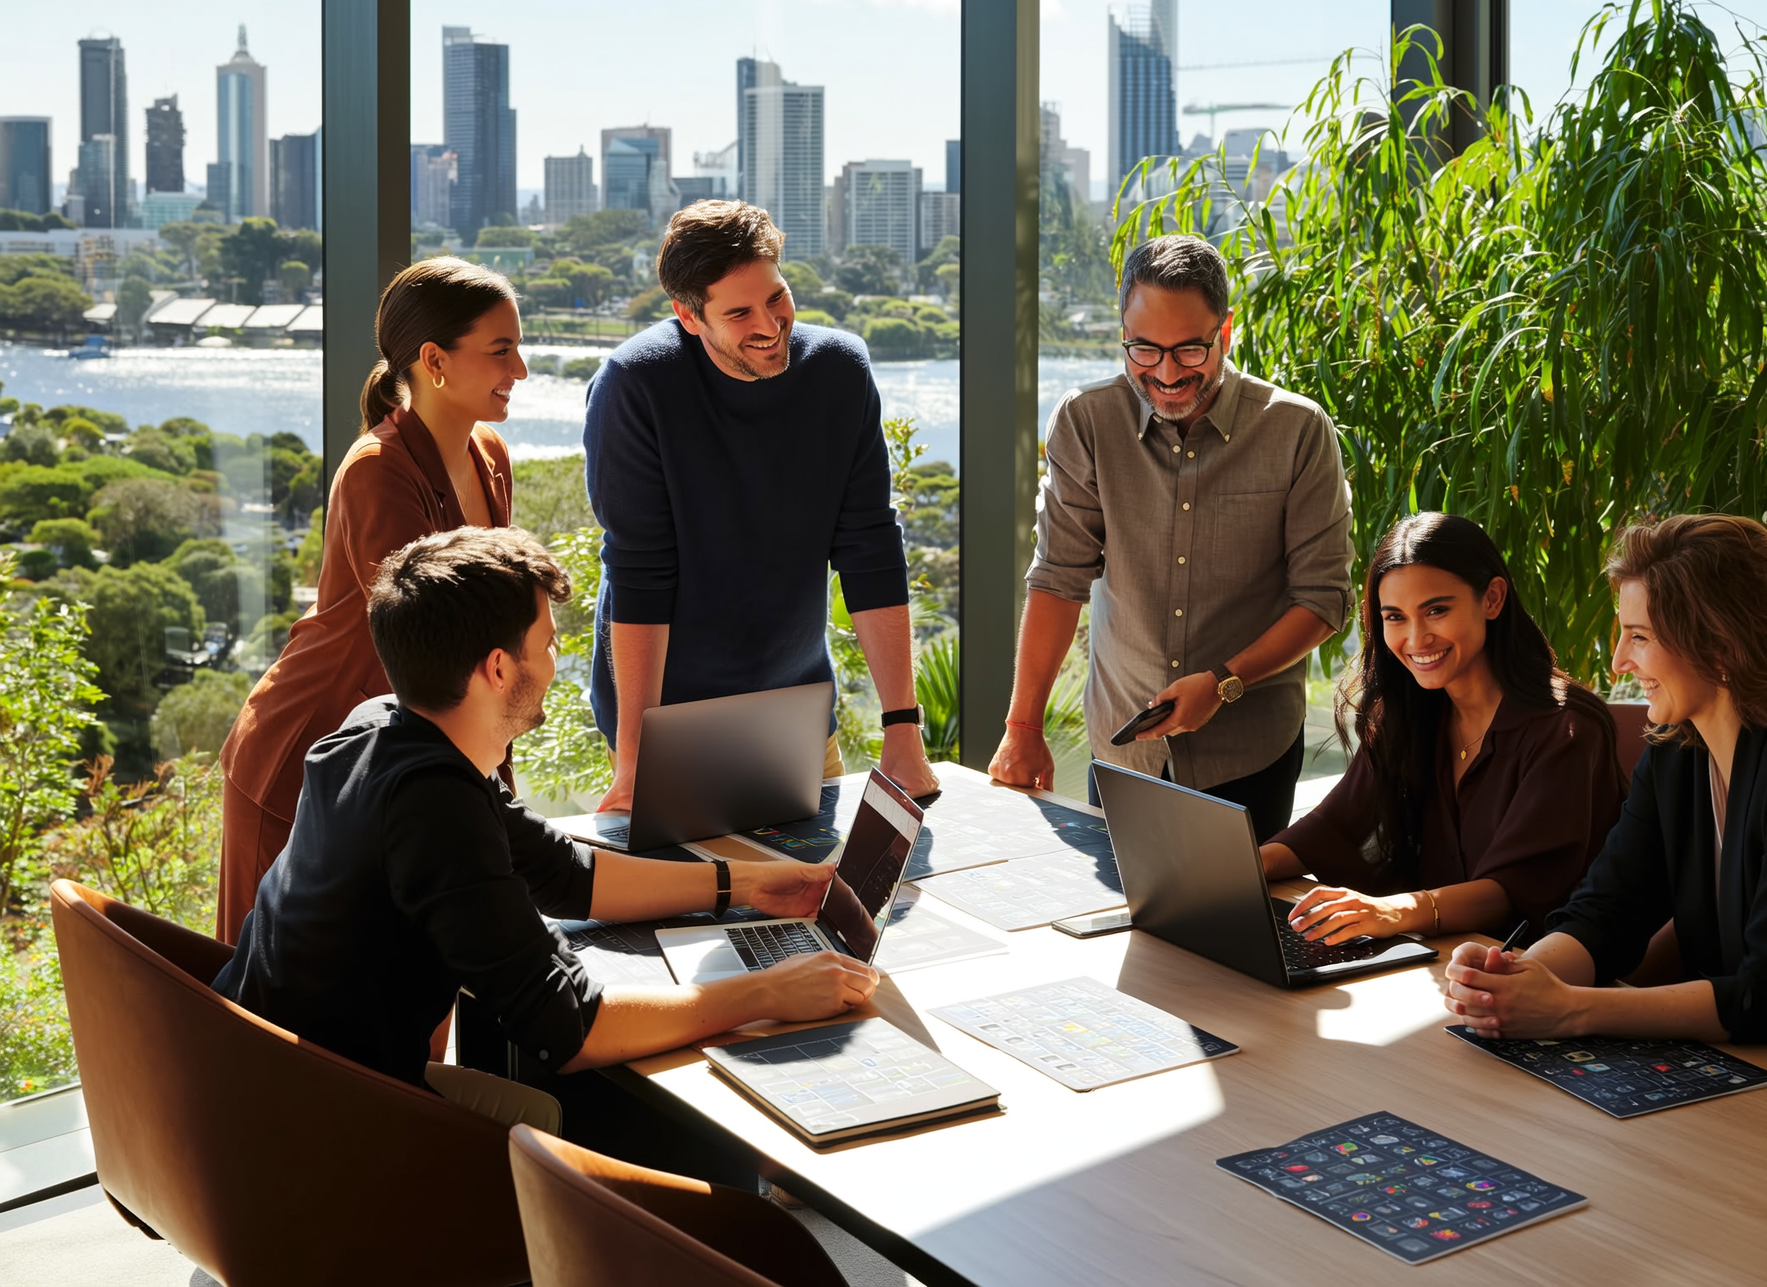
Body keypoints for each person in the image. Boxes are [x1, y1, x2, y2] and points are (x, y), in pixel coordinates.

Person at [214, 526, 878, 1128]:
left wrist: (743, 886)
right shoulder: (434, 807)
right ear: (498, 669)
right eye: (547, 643)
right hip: (317, 1137)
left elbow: (564, 875)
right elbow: (570, 1030)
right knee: (577, 1113)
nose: (556, 663)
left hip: (243, 1087)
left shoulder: (379, 728)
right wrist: (769, 991)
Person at [1443, 514, 1767, 1064]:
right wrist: (1520, 976)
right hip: (1735, 1060)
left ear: (1718, 643)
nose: (1620, 660)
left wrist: (1571, 1008)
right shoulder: (1675, 753)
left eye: (1639, 637)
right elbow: (1606, 915)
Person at [988, 234, 1354, 840]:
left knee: (1232, 932)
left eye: (1189, 350)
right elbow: (1058, 579)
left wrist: (1223, 683)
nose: (1165, 373)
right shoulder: (1086, 422)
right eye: (1144, 349)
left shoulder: (1296, 430)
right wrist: (1024, 729)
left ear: (1226, 331)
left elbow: (1323, 599)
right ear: (1122, 333)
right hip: (1124, 754)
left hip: (1250, 755)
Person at [583, 201, 936, 809]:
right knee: (697, 900)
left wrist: (902, 728)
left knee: (821, 892)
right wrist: (637, 761)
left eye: (776, 297)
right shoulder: (634, 385)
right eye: (739, 312)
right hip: (669, 726)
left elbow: (870, 550)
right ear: (689, 317)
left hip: (796, 710)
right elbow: (640, 574)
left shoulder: (839, 371)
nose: (771, 326)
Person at [216, 259, 527, 944]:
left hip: (396, 763)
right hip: (307, 759)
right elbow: (439, 649)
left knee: (403, 997)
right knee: (267, 1022)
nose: (522, 369)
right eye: (502, 350)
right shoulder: (378, 472)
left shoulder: (489, 452)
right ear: (435, 361)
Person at [1267, 512, 1625, 944]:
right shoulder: (1409, 711)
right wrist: (1242, 866)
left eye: (1436, 610)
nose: (1416, 640)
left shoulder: (1566, 730)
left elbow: (1511, 893)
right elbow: (1336, 824)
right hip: (1433, 959)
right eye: (1395, 617)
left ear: (1492, 599)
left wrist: (1391, 911)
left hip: (1533, 973)